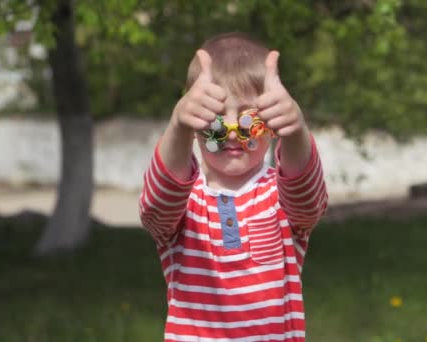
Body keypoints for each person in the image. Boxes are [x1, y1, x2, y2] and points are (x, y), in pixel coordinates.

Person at [139, 32, 328, 342]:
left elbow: (307, 199)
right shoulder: (185, 202)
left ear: (270, 123)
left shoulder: (279, 197)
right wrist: (178, 126)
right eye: (214, 119)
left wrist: (295, 131)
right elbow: (155, 209)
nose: (230, 131)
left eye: (248, 118)